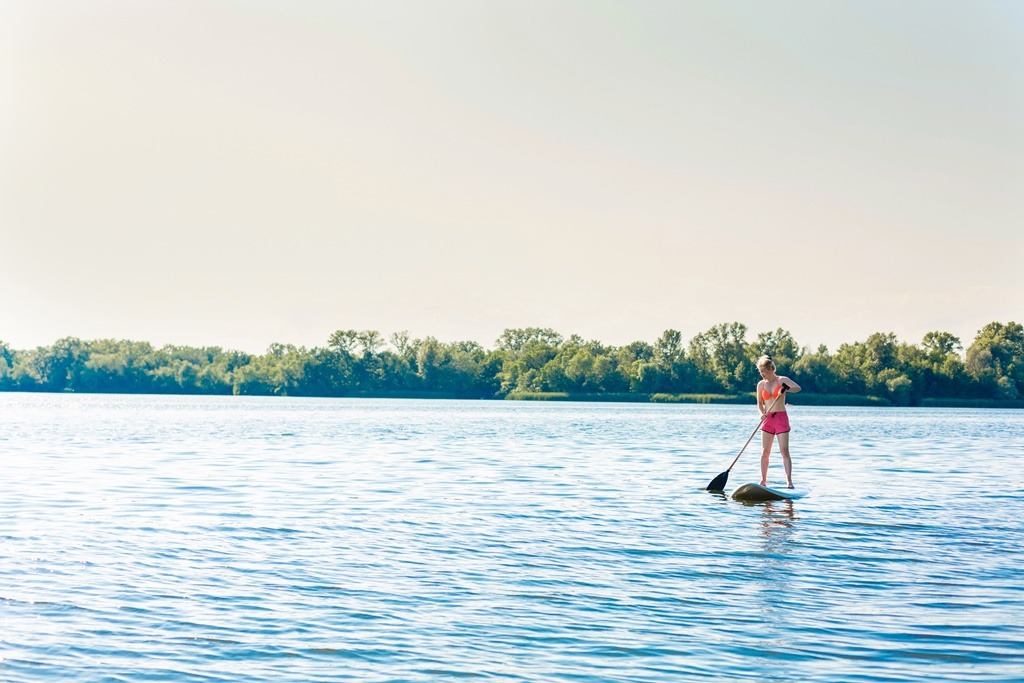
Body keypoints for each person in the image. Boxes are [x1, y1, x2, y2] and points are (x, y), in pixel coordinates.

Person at [756, 355, 801, 488]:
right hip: (768, 419)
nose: (762, 374)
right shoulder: (761, 385)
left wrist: (786, 388)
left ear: (770, 369)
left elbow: (798, 388)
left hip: (781, 419)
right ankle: (763, 480)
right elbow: (759, 404)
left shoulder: (782, 380)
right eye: (760, 371)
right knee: (765, 452)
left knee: (784, 451)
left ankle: (789, 481)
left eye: (763, 371)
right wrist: (761, 414)